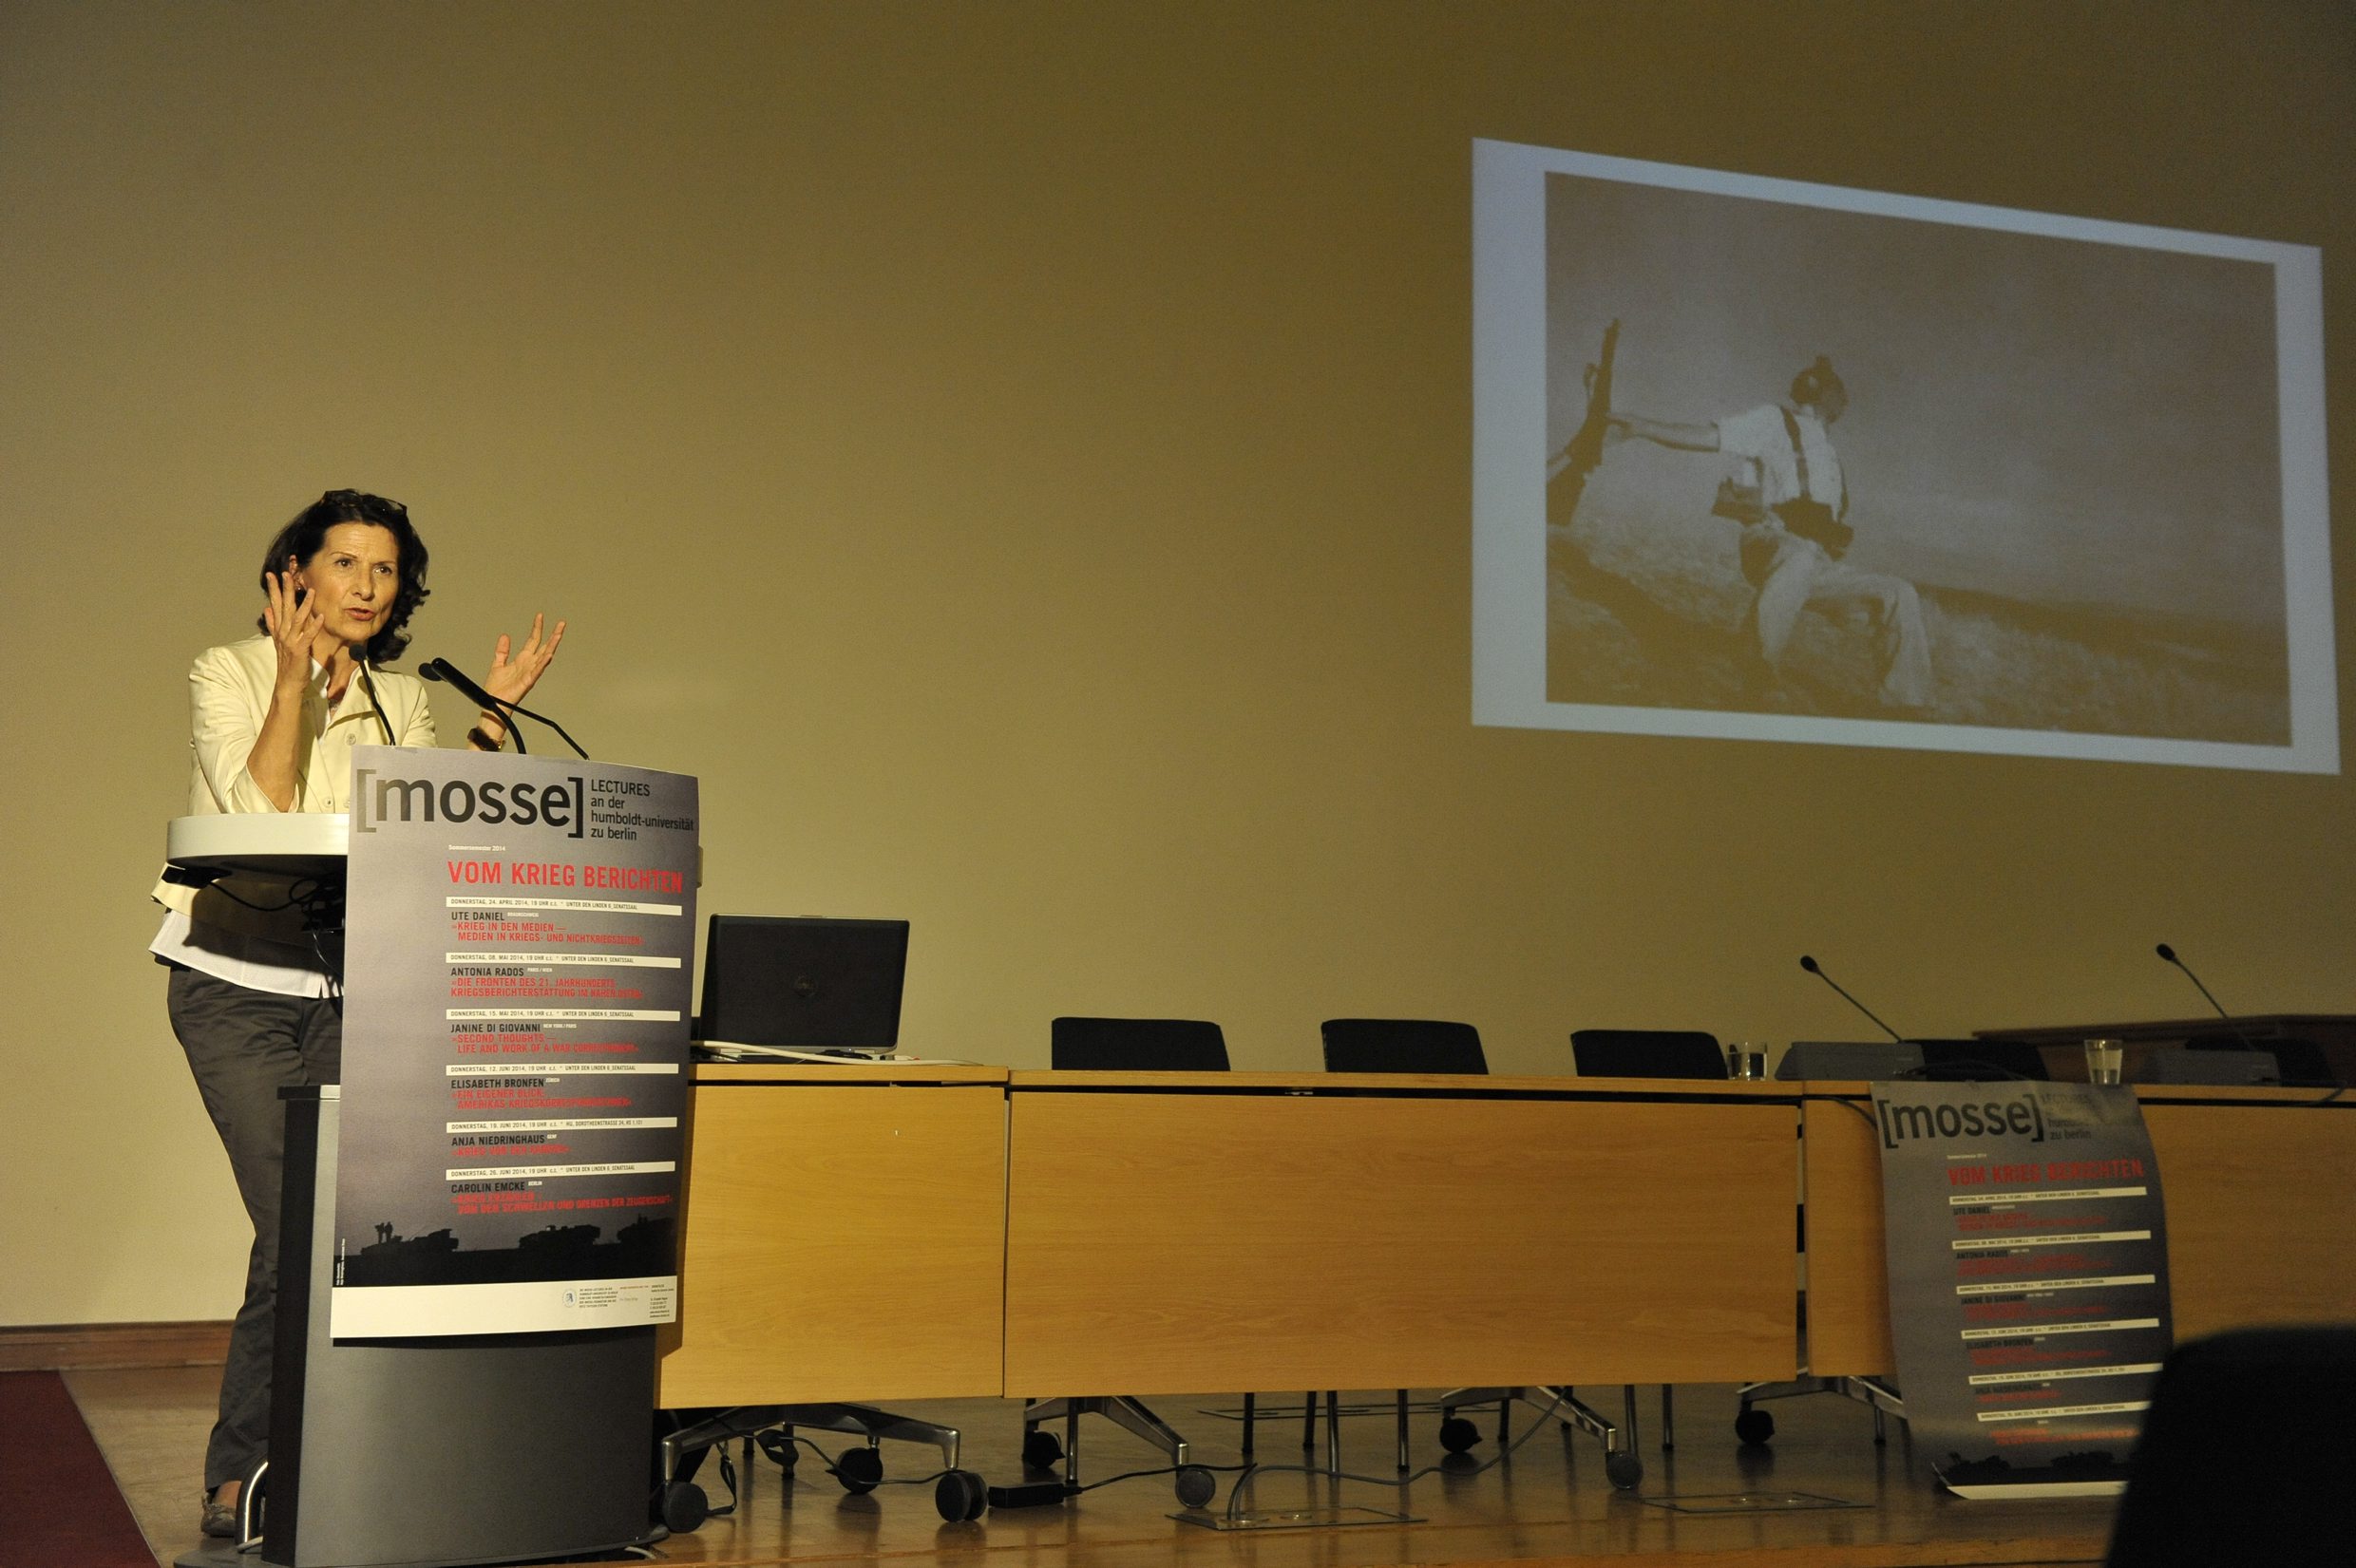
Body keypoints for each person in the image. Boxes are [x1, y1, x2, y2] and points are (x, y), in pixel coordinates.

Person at [150, 490, 566, 1537]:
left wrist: (490, 723)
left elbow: (419, 826)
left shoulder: (401, 699)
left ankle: (309, 1460)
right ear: (296, 573)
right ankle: (252, 1466)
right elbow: (257, 812)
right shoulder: (227, 670)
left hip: (347, 987)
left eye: (385, 570)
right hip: (233, 984)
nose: (368, 587)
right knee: (296, 1219)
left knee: (333, 1227)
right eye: (345, 563)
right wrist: (293, 679)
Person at [1609, 357, 1933, 710]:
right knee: (1799, 557)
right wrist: (1641, 427)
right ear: (1824, 394)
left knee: (1899, 593)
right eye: (1840, 393)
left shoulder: (1828, 452)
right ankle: (1759, 670)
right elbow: (1708, 437)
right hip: (1770, 542)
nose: (1846, 402)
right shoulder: (1773, 420)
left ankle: (1905, 705)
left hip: (1816, 562)